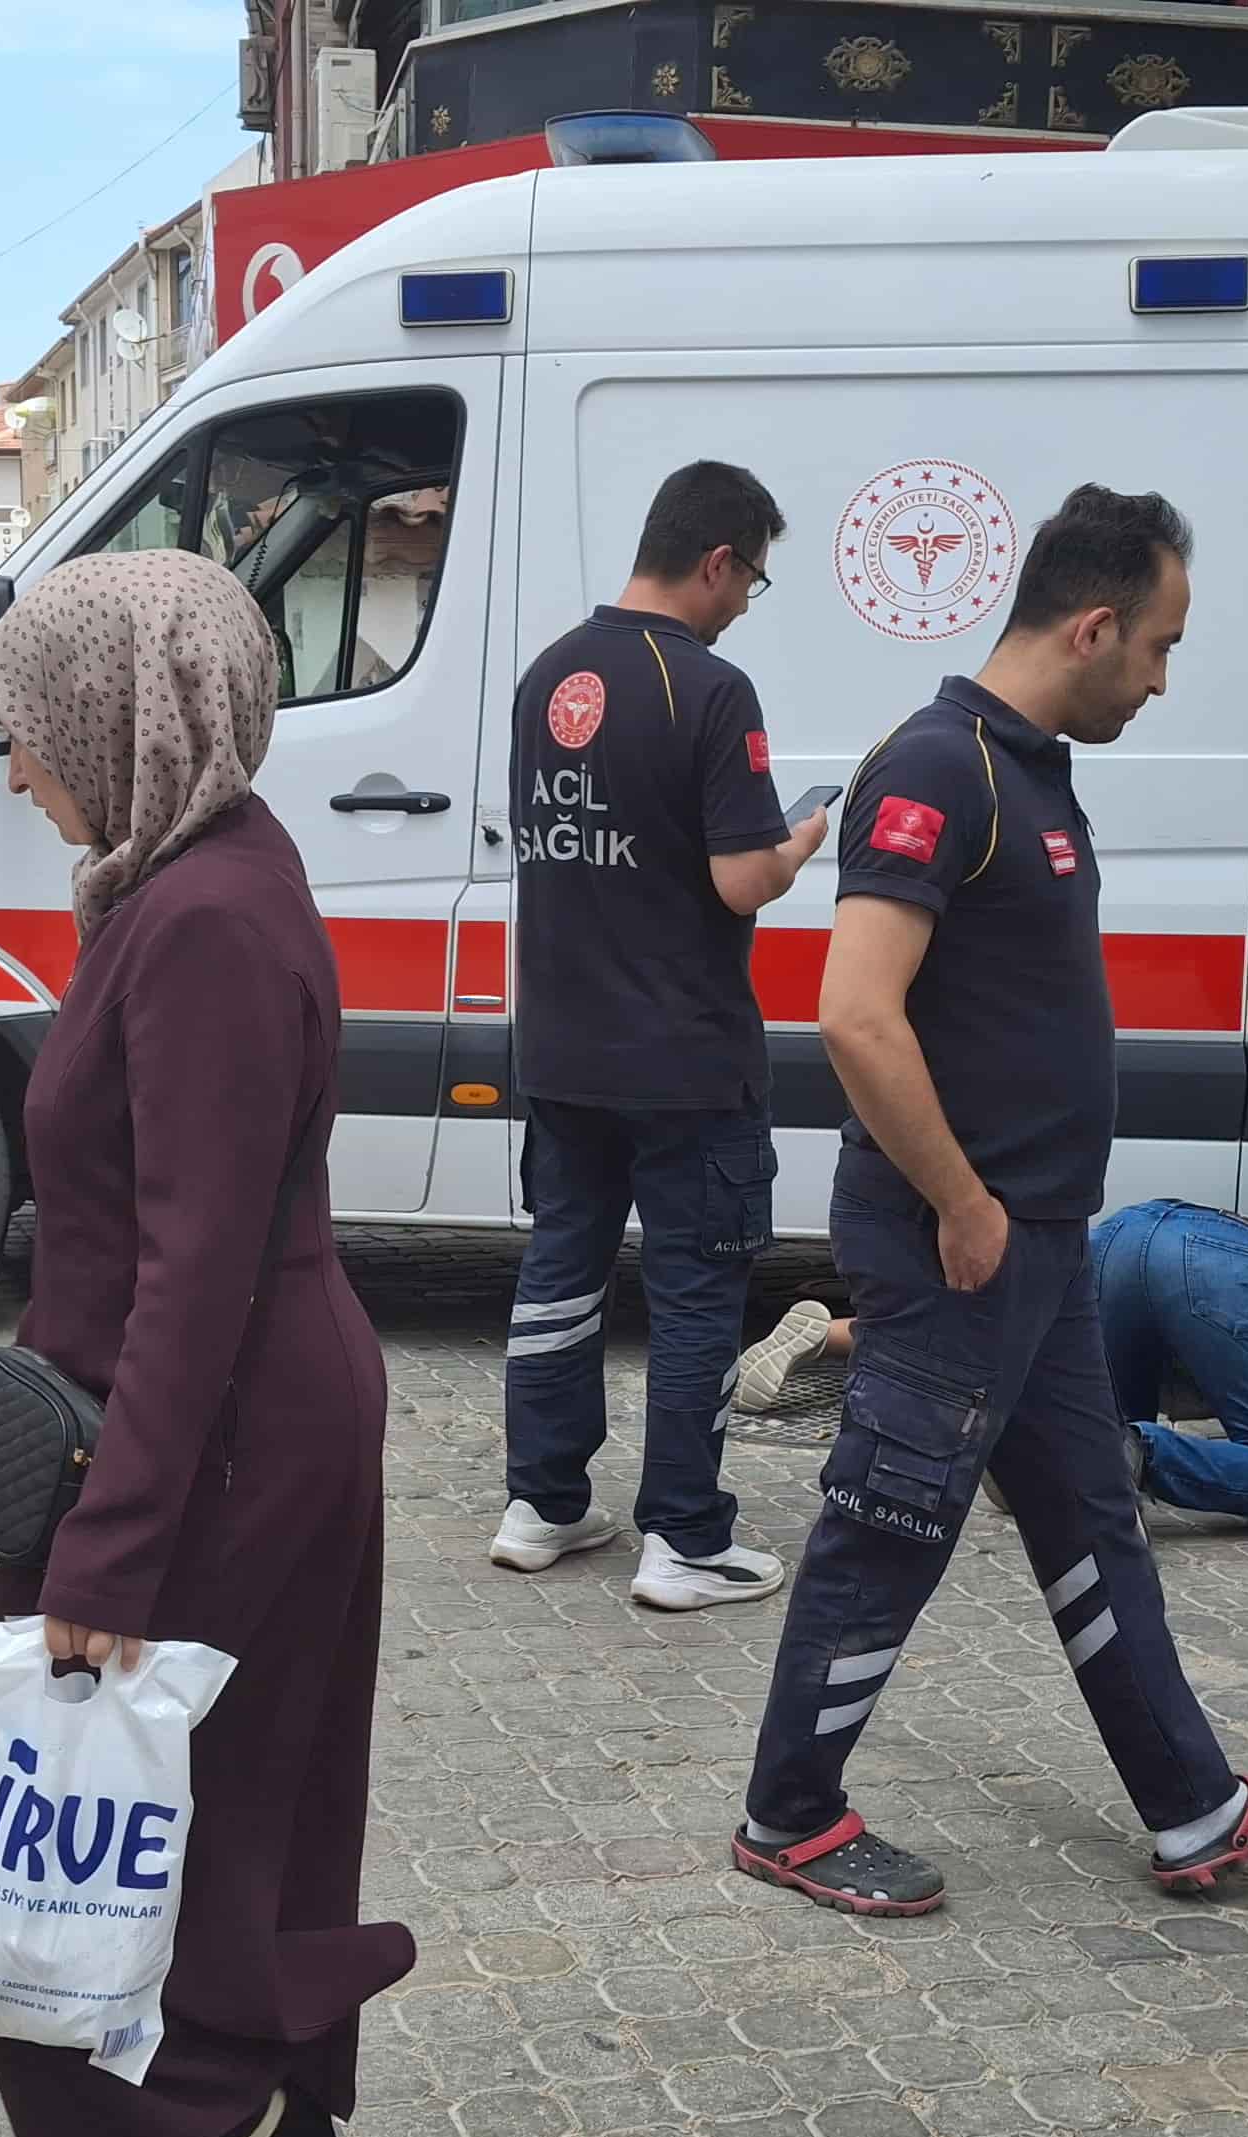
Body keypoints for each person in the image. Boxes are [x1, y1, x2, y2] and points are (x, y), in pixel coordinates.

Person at [731, 485, 1248, 1919]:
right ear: (1091, 626)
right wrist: (958, 1201)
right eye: (1159, 646)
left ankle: (1195, 1810)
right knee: (888, 1524)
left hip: (1039, 1241)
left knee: (1092, 1521)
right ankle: (789, 1815)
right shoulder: (941, 768)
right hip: (965, 1243)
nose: (1159, 677)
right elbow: (855, 1017)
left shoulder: (1026, 771)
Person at [0, 552, 413, 2137]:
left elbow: (196, 1265)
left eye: (34, 730)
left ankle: (168, 2128)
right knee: (237, 1779)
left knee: (123, 1781)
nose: (17, 770)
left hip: (221, 1428)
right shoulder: (184, 882)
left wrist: (114, 1547)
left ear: (127, 718)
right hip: (222, 1414)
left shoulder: (209, 916)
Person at [493, 462, 831, 1608]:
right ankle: (684, 1539)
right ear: (717, 560)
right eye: (752, 580)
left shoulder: (547, 678)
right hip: (685, 1057)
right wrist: (799, 843)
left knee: (561, 1273)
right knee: (693, 1292)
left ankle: (542, 1504)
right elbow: (740, 881)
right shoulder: (711, 690)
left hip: (562, 1046)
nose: (744, 604)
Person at [730, 1207, 1248, 1525]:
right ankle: (1105, 1453)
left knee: (1031, 1351)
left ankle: (840, 1336)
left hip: (1139, 1232)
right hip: (1217, 1274)